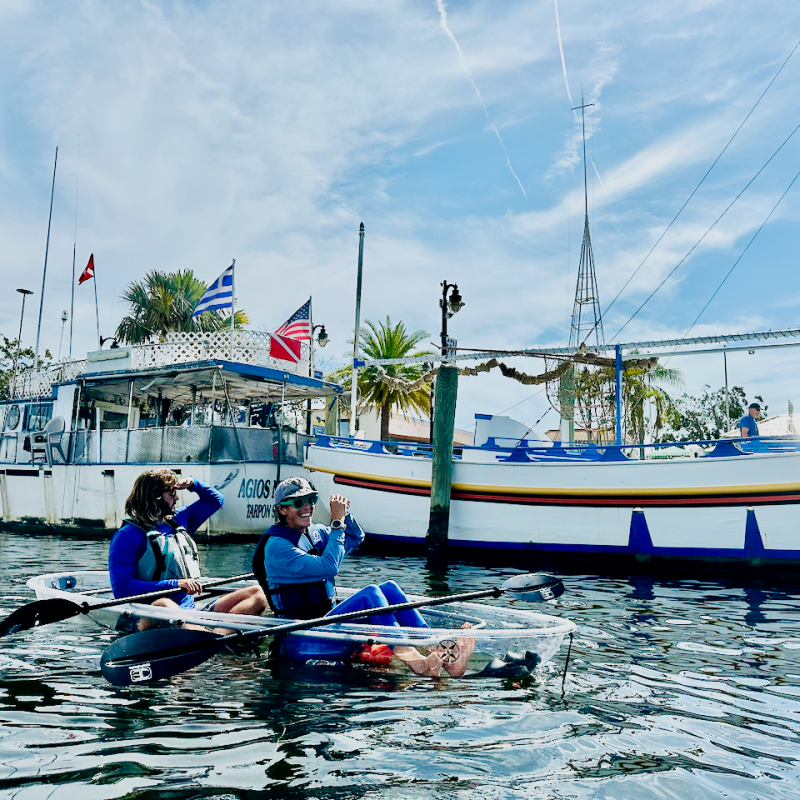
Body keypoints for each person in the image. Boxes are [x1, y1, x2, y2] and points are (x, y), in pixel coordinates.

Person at [252, 476, 474, 676]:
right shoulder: (277, 547)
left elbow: (355, 536)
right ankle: (417, 663)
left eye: (311, 500)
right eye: (298, 503)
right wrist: (337, 523)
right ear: (282, 510)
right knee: (370, 595)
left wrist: (344, 514)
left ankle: (444, 653)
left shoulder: (314, 532)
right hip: (299, 638)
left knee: (389, 588)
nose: (307, 507)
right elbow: (329, 567)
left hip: (326, 624)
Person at [108, 468, 266, 625]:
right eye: (171, 494)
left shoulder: (180, 519)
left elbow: (215, 500)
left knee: (257, 594)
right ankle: (210, 639)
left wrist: (193, 483)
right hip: (147, 616)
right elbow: (122, 589)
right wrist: (175, 584)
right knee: (165, 605)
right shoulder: (126, 536)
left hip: (190, 612)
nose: (176, 498)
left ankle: (218, 635)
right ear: (155, 497)